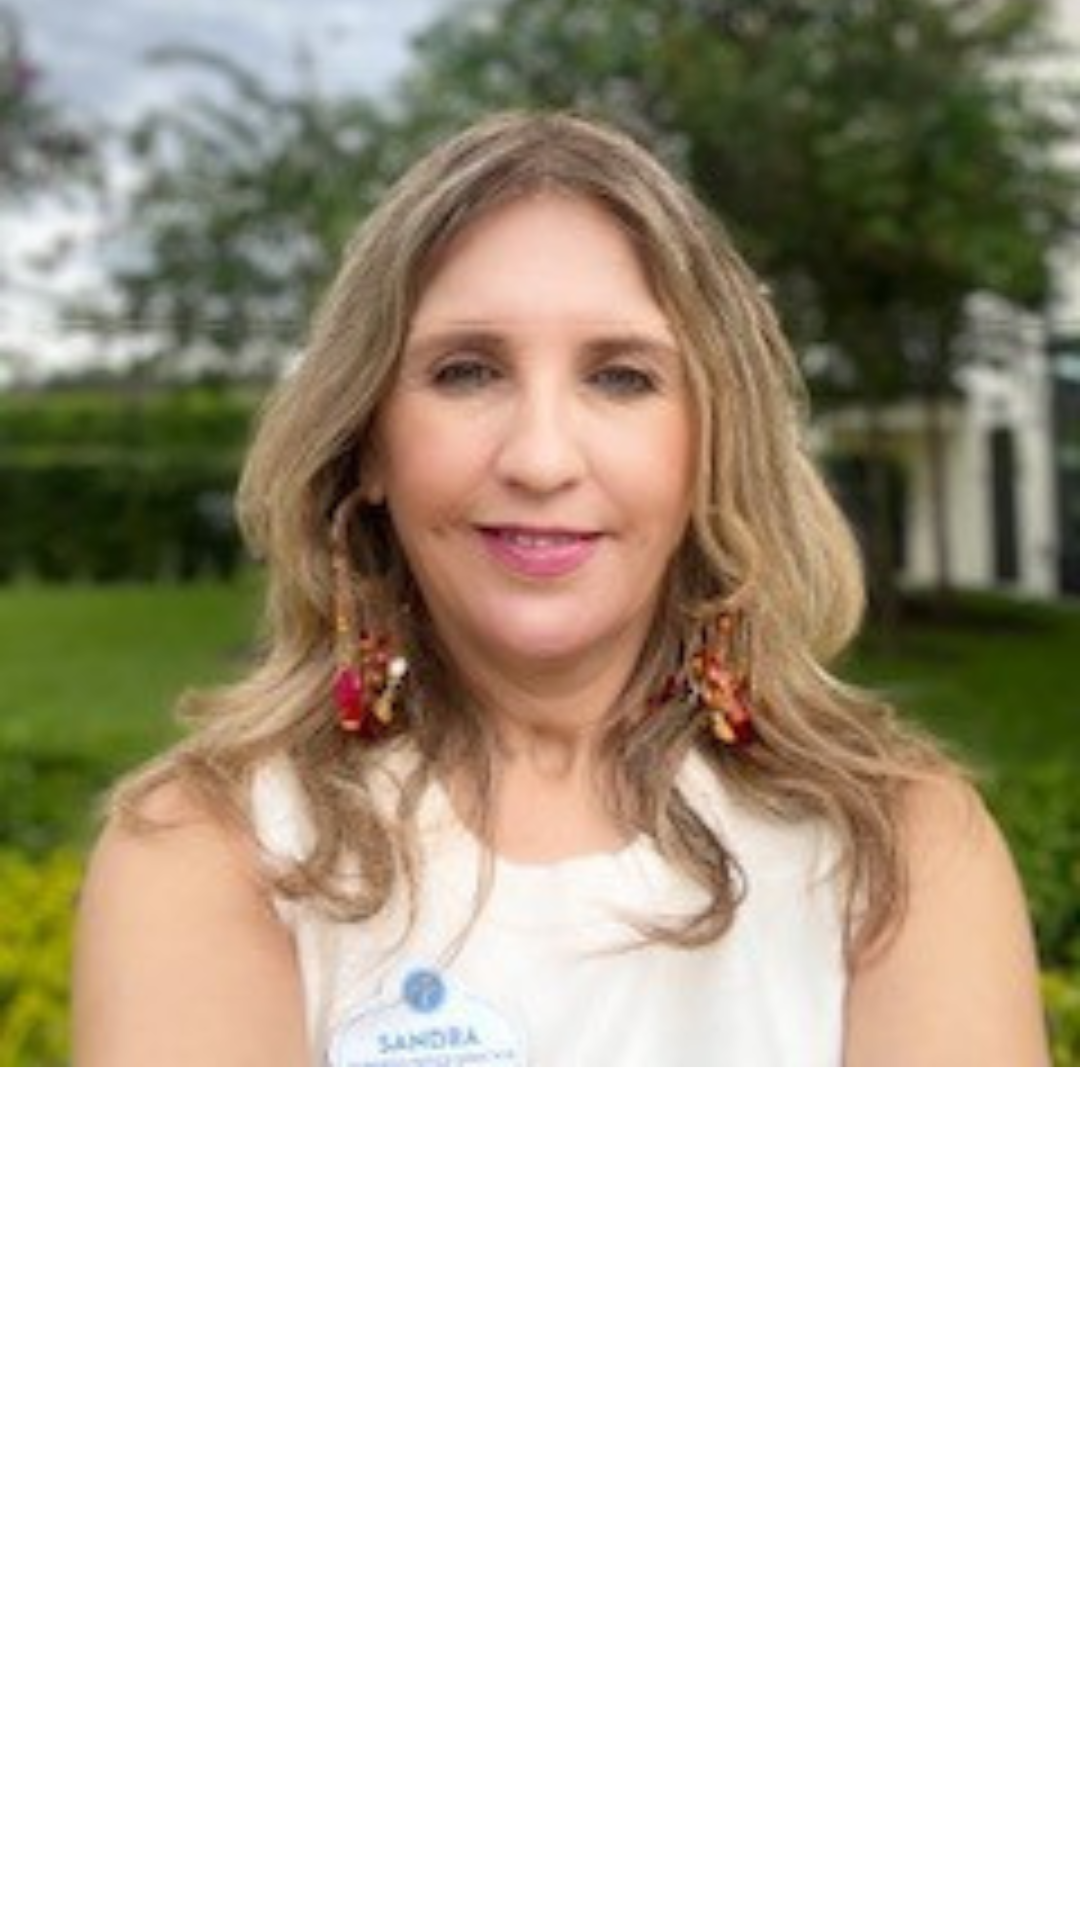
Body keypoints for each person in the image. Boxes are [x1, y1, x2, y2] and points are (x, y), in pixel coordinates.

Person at [72, 110, 1049, 1067]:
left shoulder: (902, 850)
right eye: (466, 372)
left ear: (712, 442)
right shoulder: (211, 851)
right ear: (368, 441)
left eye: (621, 378)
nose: (541, 460)